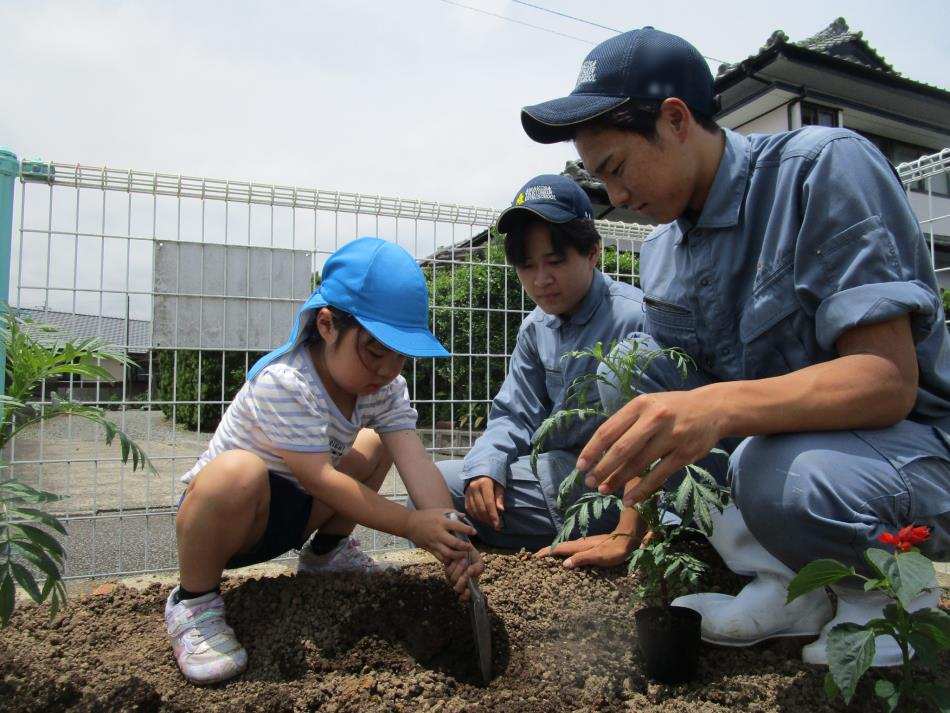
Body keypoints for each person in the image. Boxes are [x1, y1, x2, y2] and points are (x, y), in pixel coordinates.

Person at [518, 27, 950, 667]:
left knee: (773, 470)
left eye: (615, 169)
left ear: (675, 120)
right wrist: (626, 532)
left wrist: (719, 407)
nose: (619, 198)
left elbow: (886, 381)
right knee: (635, 380)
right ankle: (783, 585)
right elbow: (672, 406)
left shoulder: (822, 169)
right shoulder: (664, 249)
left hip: (904, 458)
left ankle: (881, 602)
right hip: (781, 464)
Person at [165, 237, 482, 685]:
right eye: (375, 349)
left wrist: (448, 530)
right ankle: (193, 603)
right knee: (237, 473)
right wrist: (412, 526)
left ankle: (326, 555)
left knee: (377, 442)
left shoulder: (385, 387)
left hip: (295, 515)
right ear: (328, 325)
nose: (389, 369)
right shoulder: (287, 382)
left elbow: (415, 461)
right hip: (231, 523)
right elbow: (319, 479)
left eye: (401, 354)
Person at [423, 174, 648, 564]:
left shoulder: (634, 317)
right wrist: (485, 469)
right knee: (433, 492)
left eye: (556, 261)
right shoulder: (535, 327)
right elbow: (514, 413)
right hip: (554, 478)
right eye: (527, 266)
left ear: (592, 252)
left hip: (620, 490)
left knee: (439, 492)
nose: (541, 280)